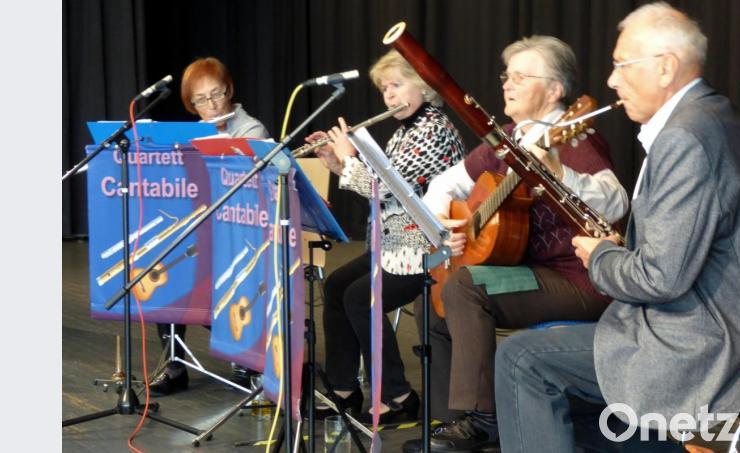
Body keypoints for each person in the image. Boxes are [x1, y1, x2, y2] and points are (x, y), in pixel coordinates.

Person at [495, 3, 740, 452]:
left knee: (522, 358)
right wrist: (621, 250)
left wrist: (603, 256)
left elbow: (660, 278)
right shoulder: (712, 116)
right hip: (699, 323)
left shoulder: (684, 139)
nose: (610, 80)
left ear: (665, 68)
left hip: (697, 345)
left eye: (621, 65)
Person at [404, 36, 629, 452]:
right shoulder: (507, 137)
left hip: (578, 279)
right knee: (430, 293)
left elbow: (616, 198)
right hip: (531, 273)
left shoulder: (571, 136)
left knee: (466, 287)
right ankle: (453, 420)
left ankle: (485, 419)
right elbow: (445, 183)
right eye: (508, 75)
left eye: (522, 77)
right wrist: (444, 221)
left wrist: (558, 173)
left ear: (555, 89)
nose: (507, 84)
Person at [303, 49, 465, 423]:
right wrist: (335, 161)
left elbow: (385, 188)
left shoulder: (435, 130)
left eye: (397, 85)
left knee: (362, 298)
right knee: (337, 286)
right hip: (396, 246)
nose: (390, 96)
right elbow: (379, 188)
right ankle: (344, 390)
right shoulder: (404, 131)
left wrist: (349, 158)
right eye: (385, 89)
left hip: (434, 248)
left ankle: (398, 395)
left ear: (423, 85)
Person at [150, 57, 270, 396]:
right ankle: (175, 365)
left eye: (216, 94)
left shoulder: (251, 130)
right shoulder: (188, 136)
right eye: (200, 100)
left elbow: (247, 193)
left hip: (240, 232)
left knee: (203, 275)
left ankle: (248, 356)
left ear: (229, 90)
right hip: (203, 229)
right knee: (166, 261)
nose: (211, 105)